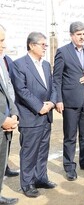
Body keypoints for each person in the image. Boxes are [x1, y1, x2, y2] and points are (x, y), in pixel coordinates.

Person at [53, 21, 84, 181]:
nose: (82, 37)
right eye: (79, 34)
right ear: (72, 35)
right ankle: (69, 167)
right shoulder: (63, 52)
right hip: (70, 101)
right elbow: (57, 78)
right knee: (70, 136)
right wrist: (58, 100)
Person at [10, 32, 56, 198]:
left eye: (45, 45)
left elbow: (52, 86)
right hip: (31, 116)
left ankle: (40, 178)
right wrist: (39, 107)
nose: (45, 47)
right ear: (31, 45)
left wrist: (51, 102)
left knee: (43, 149)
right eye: (42, 44)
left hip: (46, 115)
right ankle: (27, 183)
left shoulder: (45, 65)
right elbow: (21, 90)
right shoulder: (19, 65)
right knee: (29, 151)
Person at [0, 25, 19, 205]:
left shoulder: (3, 62)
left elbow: (8, 90)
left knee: (1, 162)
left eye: (3, 40)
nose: (2, 45)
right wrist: (2, 120)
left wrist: (14, 114)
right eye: (0, 41)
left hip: (7, 122)